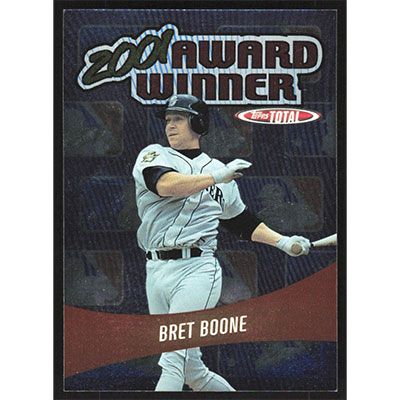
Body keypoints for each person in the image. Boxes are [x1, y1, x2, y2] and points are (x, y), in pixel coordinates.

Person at [132, 94, 310, 391]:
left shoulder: (219, 171)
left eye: (179, 119)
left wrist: (284, 242)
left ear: (198, 123)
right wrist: (216, 177)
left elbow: (242, 222)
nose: (170, 125)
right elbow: (165, 185)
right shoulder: (155, 154)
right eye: (168, 119)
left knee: (173, 359)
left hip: (196, 270)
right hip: (155, 270)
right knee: (193, 372)